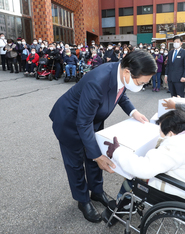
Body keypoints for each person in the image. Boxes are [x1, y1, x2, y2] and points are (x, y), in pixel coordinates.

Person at [49, 50, 157, 223]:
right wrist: (98, 156)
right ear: (128, 72)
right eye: (141, 82)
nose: (142, 86)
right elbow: (82, 123)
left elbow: (121, 94)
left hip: (90, 120)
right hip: (70, 121)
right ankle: (82, 201)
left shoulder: (120, 74)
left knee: (94, 157)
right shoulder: (98, 82)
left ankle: (97, 192)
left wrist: (133, 112)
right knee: (76, 162)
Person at [101, 110, 185, 224]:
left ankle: (121, 207)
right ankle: (126, 204)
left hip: (181, 195)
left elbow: (143, 169)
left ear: (171, 133)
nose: (159, 132)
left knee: (130, 177)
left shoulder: (173, 149)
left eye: (160, 129)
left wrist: (118, 152)